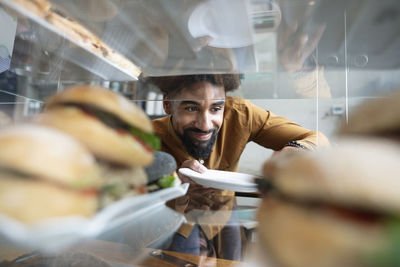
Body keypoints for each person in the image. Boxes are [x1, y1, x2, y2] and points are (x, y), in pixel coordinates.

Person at [145, 73, 330, 260]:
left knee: (234, 261)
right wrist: (177, 192)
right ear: (168, 104)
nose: (205, 124)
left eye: (216, 108)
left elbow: (317, 139)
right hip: (178, 218)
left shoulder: (240, 114)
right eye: (191, 108)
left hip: (224, 213)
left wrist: (293, 152)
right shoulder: (148, 137)